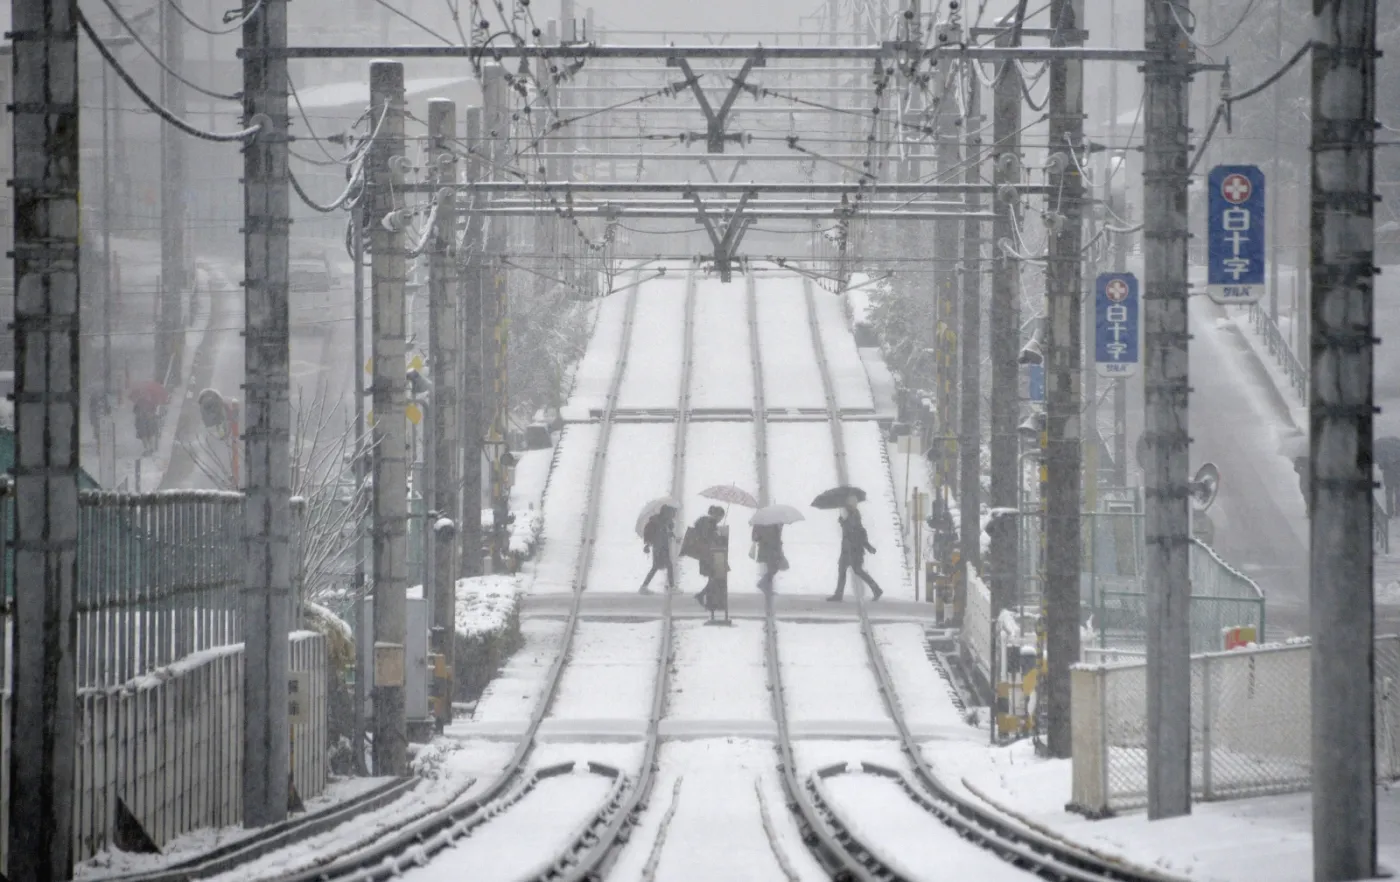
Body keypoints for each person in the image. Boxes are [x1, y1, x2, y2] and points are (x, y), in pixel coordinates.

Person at [827, 499, 882, 602]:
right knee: (843, 571)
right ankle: (838, 594)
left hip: (854, 551)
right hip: (847, 550)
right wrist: (842, 523)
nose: (846, 508)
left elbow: (853, 532)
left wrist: (843, 523)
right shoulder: (851, 516)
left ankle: (876, 589)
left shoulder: (854, 517)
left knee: (858, 571)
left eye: (848, 506)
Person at [688, 505, 727, 608]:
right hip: (709, 554)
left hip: (703, 553)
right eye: (720, 517)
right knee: (715, 578)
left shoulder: (703, 522)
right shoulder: (711, 523)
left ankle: (706, 600)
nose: (720, 519)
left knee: (713, 577)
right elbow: (709, 537)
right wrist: (719, 536)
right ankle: (702, 596)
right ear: (716, 515)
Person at [639, 505, 677, 594]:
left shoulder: (665, 522)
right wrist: (647, 545)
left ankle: (644, 587)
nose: (673, 515)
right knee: (667, 566)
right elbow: (649, 534)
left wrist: (673, 536)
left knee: (658, 567)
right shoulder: (655, 522)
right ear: (666, 513)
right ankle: (671, 587)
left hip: (664, 546)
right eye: (671, 513)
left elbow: (668, 532)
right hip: (659, 547)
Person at [753, 522, 787, 594]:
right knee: (773, 567)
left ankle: (766, 587)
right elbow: (755, 537)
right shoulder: (763, 522)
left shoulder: (763, 521)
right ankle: (765, 585)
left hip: (771, 548)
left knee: (773, 568)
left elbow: (755, 537)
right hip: (770, 548)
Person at [1376, 437, 1400, 518]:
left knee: (1393, 496)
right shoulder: (1388, 454)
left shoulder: (1386, 454)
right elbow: (1381, 466)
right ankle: (1394, 512)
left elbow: (1381, 467)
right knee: (1394, 496)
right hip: (1394, 478)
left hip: (1392, 479)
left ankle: (1394, 513)